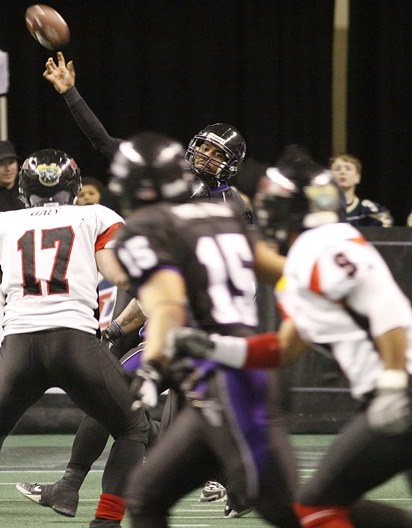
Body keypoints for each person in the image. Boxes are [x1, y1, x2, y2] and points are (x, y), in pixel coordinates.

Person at [0, 148, 149, 528]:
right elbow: (119, 275)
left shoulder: (1, 223)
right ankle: (106, 521)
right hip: (73, 340)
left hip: (20, 344)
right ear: (73, 185)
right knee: (132, 427)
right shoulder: (95, 215)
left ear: (24, 187)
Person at [170, 159, 412, 528]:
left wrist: (394, 382)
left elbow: (386, 308)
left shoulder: (321, 245)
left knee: (317, 506)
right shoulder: (310, 257)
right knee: (321, 505)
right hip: (393, 393)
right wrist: (215, 348)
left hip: (399, 392)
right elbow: (283, 350)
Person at [107, 132, 300, 528]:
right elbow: (278, 271)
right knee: (146, 497)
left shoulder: (147, 227)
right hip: (227, 370)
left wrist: (152, 364)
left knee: (288, 510)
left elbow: (166, 304)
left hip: (228, 377)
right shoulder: (225, 213)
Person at [43, 51, 252, 222]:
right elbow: (103, 142)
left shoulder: (236, 206)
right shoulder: (168, 168)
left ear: (231, 166)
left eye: (217, 154)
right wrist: (70, 93)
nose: (206, 155)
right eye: (205, 148)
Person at [329, 153, 393, 227]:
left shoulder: (368, 209)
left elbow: (386, 226)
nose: (342, 172)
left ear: (357, 177)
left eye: (348, 169)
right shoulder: (323, 209)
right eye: (337, 169)